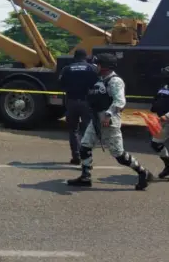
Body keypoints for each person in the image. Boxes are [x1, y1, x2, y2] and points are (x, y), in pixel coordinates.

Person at [67, 53, 153, 190]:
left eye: (98, 64)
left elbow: (120, 101)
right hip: (96, 119)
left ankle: (143, 172)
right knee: (84, 146)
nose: (96, 66)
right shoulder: (100, 79)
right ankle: (85, 177)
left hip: (109, 121)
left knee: (118, 154)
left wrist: (108, 115)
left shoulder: (115, 81)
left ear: (105, 67)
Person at [58, 48, 99, 164]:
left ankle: (76, 157)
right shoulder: (92, 68)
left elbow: (60, 84)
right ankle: (86, 157)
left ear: (74, 57)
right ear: (85, 57)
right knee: (87, 130)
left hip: (71, 102)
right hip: (87, 102)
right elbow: (98, 84)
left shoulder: (67, 69)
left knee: (73, 130)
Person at [149, 66, 169, 178]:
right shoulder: (164, 87)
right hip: (163, 122)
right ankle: (168, 164)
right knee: (156, 144)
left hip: (166, 118)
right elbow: (157, 101)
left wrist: (167, 116)